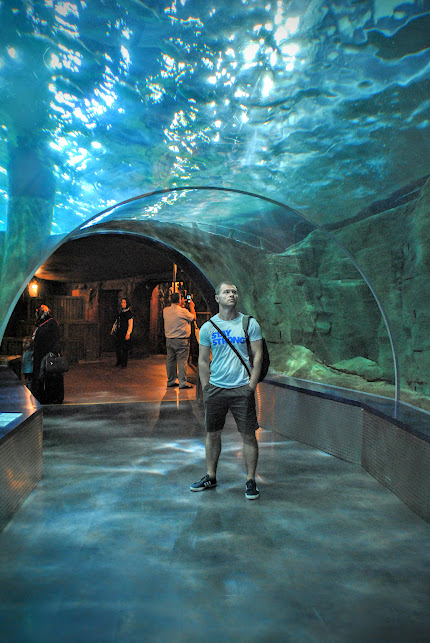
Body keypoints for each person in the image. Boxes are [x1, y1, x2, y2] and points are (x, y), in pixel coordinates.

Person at [191, 281, 263, 500]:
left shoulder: (249, 324)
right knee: (212, 433)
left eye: (234, 292)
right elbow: (203, 360)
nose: (231, 295)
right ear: (217, 298)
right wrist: (206, 387)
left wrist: (251, 385)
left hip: (242, 388)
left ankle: (250, 480)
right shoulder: (208, 327)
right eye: (226, 292)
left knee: (248, 435)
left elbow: (258, 356)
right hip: (216, 389)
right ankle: (210, 475)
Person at [163, 292, 196, 389]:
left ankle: (171, 381)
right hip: (181, 340)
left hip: (169, 339)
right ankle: (183, 382)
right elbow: (193, 318)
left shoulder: (165, 310)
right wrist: (192, 307)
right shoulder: (183, 311)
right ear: (179, 300)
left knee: (170, 361)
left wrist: (181, 305)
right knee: (182, 361)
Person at [32, 304, 63, 403]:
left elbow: (51, 339)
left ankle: (50, 397)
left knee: (49, 376)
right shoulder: (46, 324)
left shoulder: (50, 324)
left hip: (47, 354)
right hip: (44, 353)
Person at [111, 298, 133, 368]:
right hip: (119, 332)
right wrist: (113, 329)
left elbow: (130, 324)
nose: (122, 304)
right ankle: (119, 361)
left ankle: (124, 364)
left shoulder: (129, 313)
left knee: (124, 349)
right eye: (122, 302)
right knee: (118, 347)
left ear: (127, 304)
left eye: (124, 302)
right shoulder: (121, 312)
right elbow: (117, 321)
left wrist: (128, 333)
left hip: (124, 332)